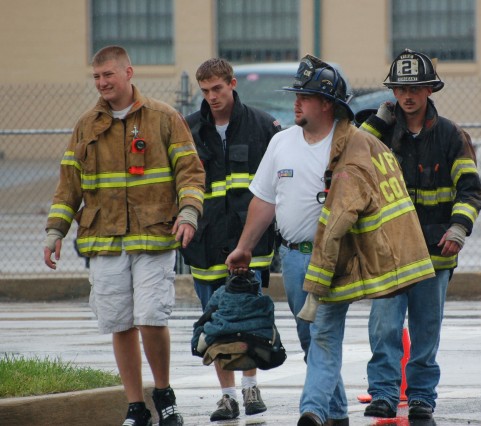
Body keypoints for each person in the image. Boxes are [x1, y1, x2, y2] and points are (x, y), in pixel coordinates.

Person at [225, 54, 435, 426]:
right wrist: (244, 246)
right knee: (310, 340)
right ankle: (336, 412)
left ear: (326, 104)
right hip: (291, 258)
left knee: (323, 335)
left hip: (336, 258)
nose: (296, 102)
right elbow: (264, 200)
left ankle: (313, 410)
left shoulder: (355, 146)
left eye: (303, 96)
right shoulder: (281, 143)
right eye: (296, 95)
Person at [43, 45, 205, 426]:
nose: (102, 83)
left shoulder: (163, 117)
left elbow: (191, 172)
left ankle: (163, 394)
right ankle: (136, 406)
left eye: (108, 76)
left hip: (153, 237)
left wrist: (189, 212)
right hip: (105, 240)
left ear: (128, 73)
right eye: (97, 77)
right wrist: (55, 232)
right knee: (119, 323)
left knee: (150, 318)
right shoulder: (86, 125)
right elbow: (69, 186)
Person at [358, 48, 481, 421]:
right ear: (393, 92)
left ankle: (421, 398)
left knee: (425, 335)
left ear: (430, 89)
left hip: (435, 254)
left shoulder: (450, 137)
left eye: (415, 88)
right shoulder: (378, 135)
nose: (407, 96)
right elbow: (350, 162)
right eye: (399, 89)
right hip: (388, 253)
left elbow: (471, 190)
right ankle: (382, 394)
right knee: (385, 329)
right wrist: (376, 125)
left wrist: (458, 229)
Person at [179, 57, 281, 422]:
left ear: (232, 84)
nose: (211, 97)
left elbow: (275, 188)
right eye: (205, 91)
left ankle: (251, 389)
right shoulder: (187, 130)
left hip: (249, 243)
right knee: (215, 322)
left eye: (217, 89)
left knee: (248, 317)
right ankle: (226, 396)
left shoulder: (263, 127)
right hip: (206, 245)